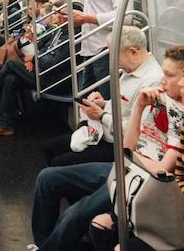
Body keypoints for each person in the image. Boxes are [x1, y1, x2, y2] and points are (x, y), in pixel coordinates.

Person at [30, 46, 184, 250]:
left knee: (74, 215)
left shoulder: (180, 117)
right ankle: (43, 244)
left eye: (170, 75)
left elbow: (161, 169)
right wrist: (139, 106)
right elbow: (126, 146)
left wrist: (128, 158)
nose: (163, 80)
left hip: (142, 183)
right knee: (47, 178)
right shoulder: (159, 99)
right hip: (125, 167)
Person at [44, 26, 163, 166]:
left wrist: (101, 116)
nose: (110, 58)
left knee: (59, 163)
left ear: (133, 52)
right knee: (49, 148)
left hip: (119, 146)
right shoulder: (129, 70)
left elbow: (140, 131)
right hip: (105, 133)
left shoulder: (152, 82)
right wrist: (104, 104)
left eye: (113, 53)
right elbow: (122, 106)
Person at [0, 1, 74, 136]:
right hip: (40, 68)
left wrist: (33, 59)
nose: (56, 16)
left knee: (10, 63)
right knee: (10, 76)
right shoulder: (59, 31)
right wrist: (32, 57)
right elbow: (42, 49)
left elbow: (53, 62)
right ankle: (4, 124)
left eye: (61, 14)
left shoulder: (68, 37)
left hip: (52, 80)